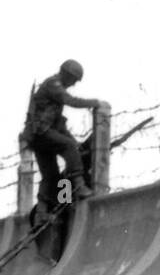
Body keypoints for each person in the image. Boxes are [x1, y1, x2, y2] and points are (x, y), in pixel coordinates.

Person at [23, 59, 104, 205]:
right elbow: (70, 100)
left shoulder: (53, 94)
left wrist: (73, 140)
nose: (74, 84)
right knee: (68, 147)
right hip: (41, 133)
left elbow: (59, 125)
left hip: (37, 137)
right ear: (67, 75)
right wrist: (94, 102)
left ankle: (51, 207)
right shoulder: (53, 84)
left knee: (50, 175)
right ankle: (79, 186)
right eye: (74, 79)